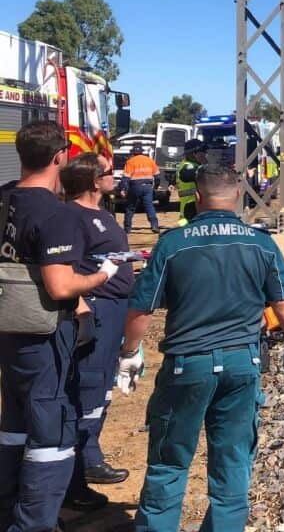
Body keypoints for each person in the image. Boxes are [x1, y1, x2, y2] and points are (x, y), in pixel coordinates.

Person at [117, 163, 284, 531]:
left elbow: (142, 307)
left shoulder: (173, 244)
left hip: (188, 365)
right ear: (238, 195)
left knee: (170, 462)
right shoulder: (261, 243)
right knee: (233, 461)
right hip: (242, 363)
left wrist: (130, 352)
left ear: (198, 197)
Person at [0, 120, 120, 532]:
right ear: (58, 157)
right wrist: (102, 275)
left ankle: (7, 510)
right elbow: (60, 283)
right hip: (43, 335)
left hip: (8, 332)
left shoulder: (3, 199)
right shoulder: (57, 213)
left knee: (15, 424)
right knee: (51, 432)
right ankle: (34, 524)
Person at [60, 154, 134, 512]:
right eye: (109, 173)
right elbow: (68, 269)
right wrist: (81, 306)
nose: (115, 177)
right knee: (87, 388)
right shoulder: (73, 218)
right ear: (93, 181)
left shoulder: (103, 215)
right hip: (98, 312)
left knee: (101, 387)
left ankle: (90, 457)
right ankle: (74, 479)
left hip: (116, 310)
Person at [122, 145, 161, 234]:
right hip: (148, 187)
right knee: (149, 206)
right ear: (142, 152)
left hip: (135, 187)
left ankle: (127, 228)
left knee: (130, 207)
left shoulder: (130, 162)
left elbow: (126, 178)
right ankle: (154, 225)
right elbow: (157, 176)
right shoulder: (149, 160)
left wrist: (124, 189)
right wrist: (155, 187)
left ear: (133, 153)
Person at [174, 139, 207, 226]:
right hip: (191, 208)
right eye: (203, 152)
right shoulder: (188, 167)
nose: (205, 154)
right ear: (194, 154)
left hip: (193, 207)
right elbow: (189, 175)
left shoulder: (194, 165)